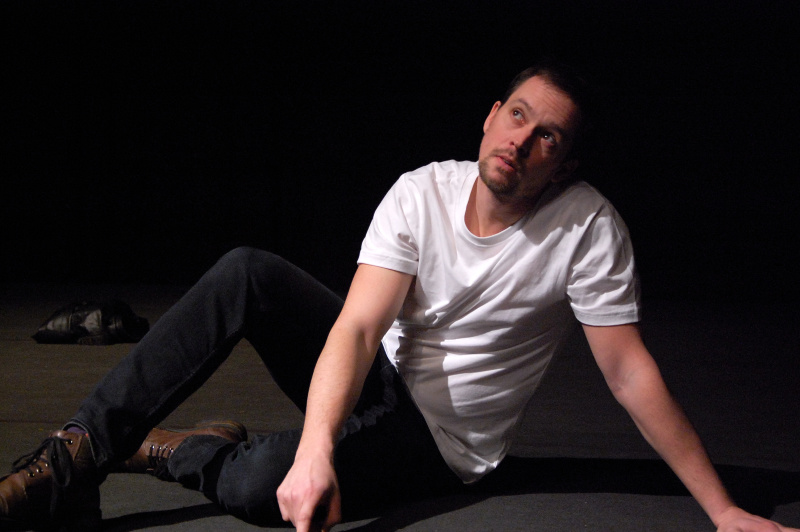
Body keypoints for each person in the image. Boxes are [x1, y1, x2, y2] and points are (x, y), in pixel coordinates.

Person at [0, 61, 796, 532]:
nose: (521, 141)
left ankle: (177, 449)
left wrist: (723, 510)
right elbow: (354, 328)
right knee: (247, 270)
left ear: (565, 166)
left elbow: (627, 373)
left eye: (547, 136)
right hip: (377, 378)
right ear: (490, 117)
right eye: (517, 116)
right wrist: (318, 447)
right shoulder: (422, 193)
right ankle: (74, 454)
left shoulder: (588, 229)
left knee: (255, 486)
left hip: (440, 444)